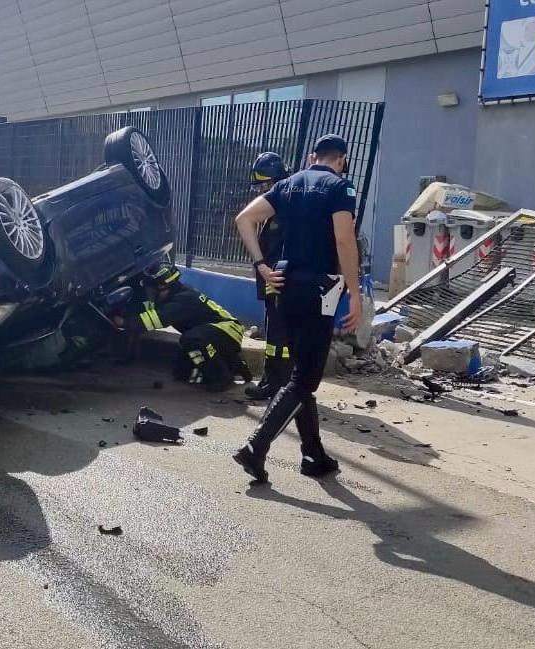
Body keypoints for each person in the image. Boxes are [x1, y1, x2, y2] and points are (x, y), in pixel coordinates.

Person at [231, 134, 362, 483]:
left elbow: (243, 219)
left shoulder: (288, 185)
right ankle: (255, 447)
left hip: (285, 285)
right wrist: (356, 291)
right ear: (342, 159)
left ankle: (313, 455)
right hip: (320, 288)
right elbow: (344, 239)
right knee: (305, 380)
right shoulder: (341, 188)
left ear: (311, 156)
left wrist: (261, 264)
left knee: (298, 375)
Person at [126, 263, 250, 392]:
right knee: (181, 374)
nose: (151, 293)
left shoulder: (183, 299)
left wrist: (125, 323)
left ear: (163, 286)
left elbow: (157, 319)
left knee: (191, 339)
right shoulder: (174, 296)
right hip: (214, 331)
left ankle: (222, 378)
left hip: (229, 329)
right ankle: (233, 364)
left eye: (153, 289)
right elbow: (147, 311)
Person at [244, 152, 293, 401]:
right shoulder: (274, 207)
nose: (262, 190)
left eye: (265, 184)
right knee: (274, 332)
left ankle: (277, 384)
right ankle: (274, 380)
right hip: (272, 277)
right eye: (260, 185)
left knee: (279, 334)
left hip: (278, 278)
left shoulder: (285, 205)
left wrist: (264, 266)